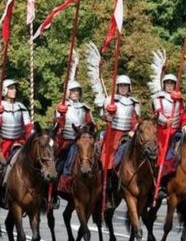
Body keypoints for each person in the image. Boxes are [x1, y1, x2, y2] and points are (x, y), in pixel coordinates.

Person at [100, 75, 140, 207]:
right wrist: (108, 116)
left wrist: (133, 130)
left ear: (129, 87)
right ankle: (108, 191)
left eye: (125, 86)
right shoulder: (110, 100)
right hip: (112, 135)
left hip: (128, 135)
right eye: (121, 85)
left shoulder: (134, 102)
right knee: (108, 163)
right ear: (117, 87)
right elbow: (102, 114)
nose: (123, 88)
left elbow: (136, 120)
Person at [152, 74, 186, 197]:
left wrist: (184, 125)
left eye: (172, 83)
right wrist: (166, 121)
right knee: (163, 155)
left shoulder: (179, 99)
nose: (169, 85)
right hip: (163, 133)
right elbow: (158, 114)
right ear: (164, 84)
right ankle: (161, 183)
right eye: (167, 83)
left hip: (177, 132)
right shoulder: (159, 98)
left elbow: (183, 115)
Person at [55, 80, 94, 188]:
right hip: (66, 140)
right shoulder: (62, 107)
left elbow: (91, 124)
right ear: (68, 92)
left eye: (77, 91)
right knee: (59, 163)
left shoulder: (84, 108)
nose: (75, 93)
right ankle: (63, 179)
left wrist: (89, 126)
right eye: (73, 91)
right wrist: (61, 115)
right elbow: (57, 125)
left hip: (82, 140)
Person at [0, 79, 33, 159]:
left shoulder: (21, 107)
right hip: (4, 142)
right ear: (4, 90)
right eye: (11, 88)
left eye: (15, 88)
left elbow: (28, 126)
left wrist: (32, 134)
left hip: (20, 141)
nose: (14, 90)